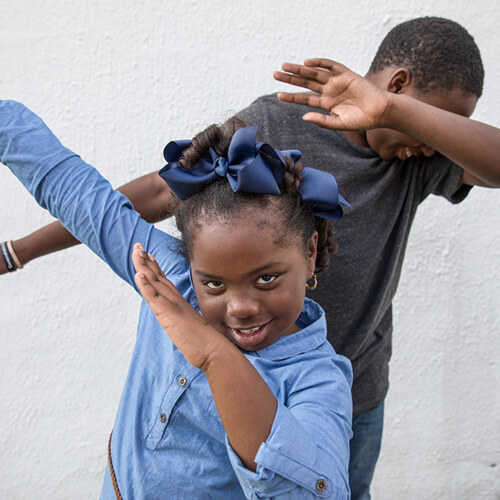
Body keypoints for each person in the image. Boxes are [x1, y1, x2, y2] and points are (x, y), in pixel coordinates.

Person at [2, 16, 499, 498]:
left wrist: (396, 113)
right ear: (399, 80)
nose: (438, 136)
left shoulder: (420, 156)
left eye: (265, 279)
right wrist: (20, 250)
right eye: (441, 118)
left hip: (346, 389)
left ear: (309, 253)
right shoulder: (279, 125)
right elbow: (125, 196)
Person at [0, 102, 354, 498]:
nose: (240, 307)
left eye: (267, 278)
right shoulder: (170, 280)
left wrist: (215, 355)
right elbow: (80, 197)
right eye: (214, 285)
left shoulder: (318, 379)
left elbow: (318, 492)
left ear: (309, 253)